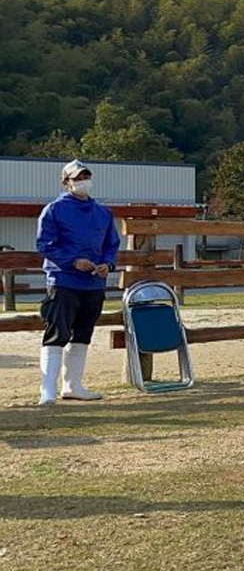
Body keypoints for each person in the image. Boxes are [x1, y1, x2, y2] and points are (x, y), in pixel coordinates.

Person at [35, 159, 120, 406]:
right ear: (66, 182)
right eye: (78, 177)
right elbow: (45, 244)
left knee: (83, 334)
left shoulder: (103, 213)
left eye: (86, 176)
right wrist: (73, 261)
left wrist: (108, 264)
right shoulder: (54, 210)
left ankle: (72, 385)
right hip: (63, 280)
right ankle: (47, 390)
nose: (83, 181)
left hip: (93, 284)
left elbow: (111, 245)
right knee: (56, 333)